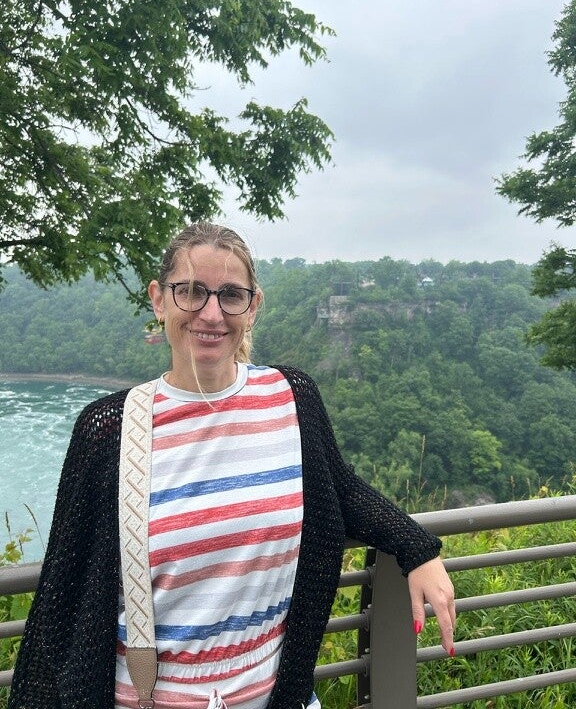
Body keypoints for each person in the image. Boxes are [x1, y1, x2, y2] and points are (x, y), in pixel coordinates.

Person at [9, 221, 456, 709]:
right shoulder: (110, 430)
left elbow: (340, 489)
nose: (211, 313)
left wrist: (418, 550)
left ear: (253, 305)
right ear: (159, 300)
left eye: (230, 295)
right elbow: (62, 597)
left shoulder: (291, 397)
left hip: (282, 697)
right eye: (191, 292)